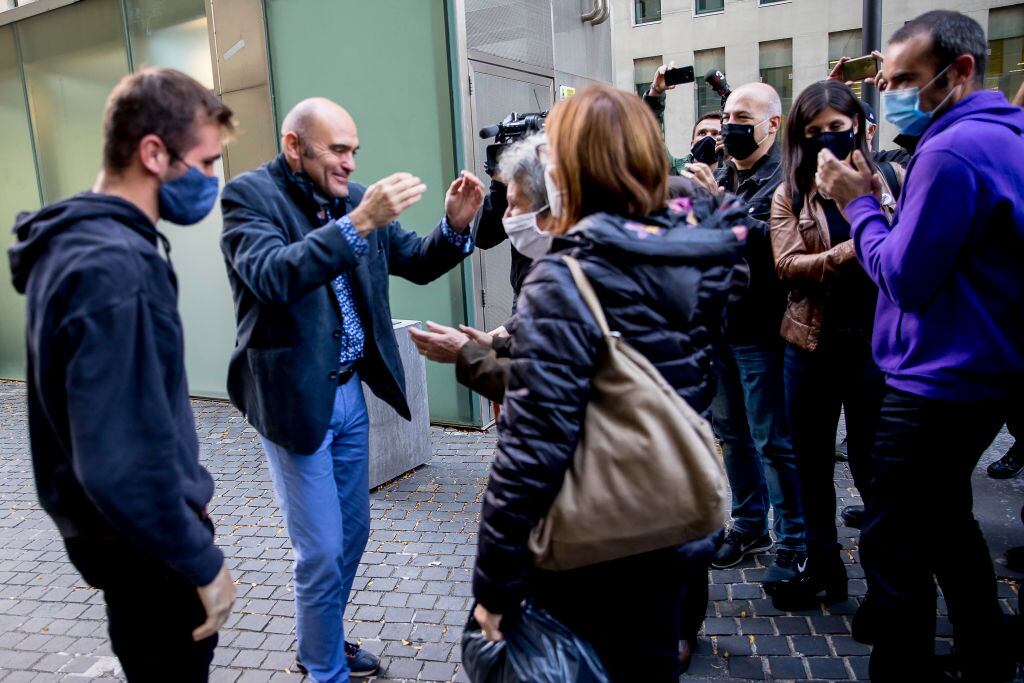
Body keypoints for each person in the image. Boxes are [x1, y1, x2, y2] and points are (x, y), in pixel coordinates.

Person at [470, 84, 749, 682]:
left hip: (593, 540)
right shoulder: (696, 255)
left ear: (573, 170)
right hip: (671, 519)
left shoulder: (565, 278)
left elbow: (530, 451)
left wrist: (493, 586)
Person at [219, 97, 485, 681]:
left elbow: (415, 260)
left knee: (354, 531)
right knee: (318, 550)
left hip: (350, 397)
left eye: (354, 151)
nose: (349, 163)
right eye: (337, 150)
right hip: (295, 399)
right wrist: (359, 222)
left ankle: (322, 638)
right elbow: (274, 276)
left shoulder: (353, 198)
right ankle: (325, 668)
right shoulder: (249, 198)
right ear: (294, 146)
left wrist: (454, 226)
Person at [7, 68, 236, 681]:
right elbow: (120, 462)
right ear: (153, 153)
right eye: (206, 163)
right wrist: (200, 560)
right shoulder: (116, 269)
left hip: (126, 549)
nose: (212, 181)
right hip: (151, 558)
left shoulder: (75, 246)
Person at [816, 10, 1024, 681]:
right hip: (978, 371)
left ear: (960, 70)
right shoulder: (1002, 137)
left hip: (936, 378)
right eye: (887, 81)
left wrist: (857, 204)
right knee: (946, 521)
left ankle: (905, 666)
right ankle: (985, 650)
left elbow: (903, 277)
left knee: (895, 542)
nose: (893, 94)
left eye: (906, 80)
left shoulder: (950, 150)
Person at [767, 80, 901, 607]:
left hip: (875, 348)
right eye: (814, 130)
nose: (826, 138)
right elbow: (787, 265)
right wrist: (858, 245)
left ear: (859, 127)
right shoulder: (791, 191)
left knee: (874, 468)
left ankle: (884, 587)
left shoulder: (889, 179)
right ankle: (823, 568)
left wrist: (868, 222)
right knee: (811, 466)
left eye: (837, 128)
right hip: (810, 346)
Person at [684, 82, 807, 584]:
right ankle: (749, 523)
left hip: (762, 331)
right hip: (718, 326)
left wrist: (717, 203)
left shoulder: (786, 179)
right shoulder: (721, 176)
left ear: (772, 125)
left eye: (741, 117)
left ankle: (793, 540)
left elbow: (775, 247)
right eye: (726, 116)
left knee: (772, 439)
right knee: (732, 435)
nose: (729, 126)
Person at [644, 62, 725, 173]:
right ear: (692, 143)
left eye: (715, 134)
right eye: (702, 133)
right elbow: (649, 137)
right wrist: (656, 92)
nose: (708, 137)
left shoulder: (734, 176)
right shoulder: (675, 171)